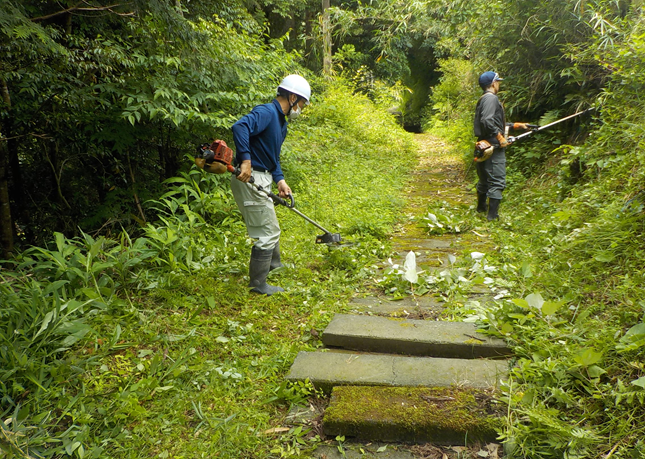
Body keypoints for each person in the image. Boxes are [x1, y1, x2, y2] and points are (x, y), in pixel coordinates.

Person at [230, 74, 311, 295]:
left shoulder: (281, 123)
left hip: (264, 175)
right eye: (301, 104)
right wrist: (245, 160)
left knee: (270, 223)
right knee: (267, 231)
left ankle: (273, 265)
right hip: (251, 176)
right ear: (293, 97)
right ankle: (258, 285)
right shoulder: (267, 112)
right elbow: (240, 127)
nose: (301, 109)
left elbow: (272, 157)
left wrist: (280, 180)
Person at [473, 71, 529, 220]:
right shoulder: (491, 99)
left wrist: (516, 126)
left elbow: (492, 122)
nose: (498, 84)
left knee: (484, 180)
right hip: (493, 148)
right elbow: (487, 121)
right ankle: (492, 217)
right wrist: (500, 138)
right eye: (497, 82)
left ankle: (481, 208)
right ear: (493, 83)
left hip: (483, 145)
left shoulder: (484, 99)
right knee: (497, 181)